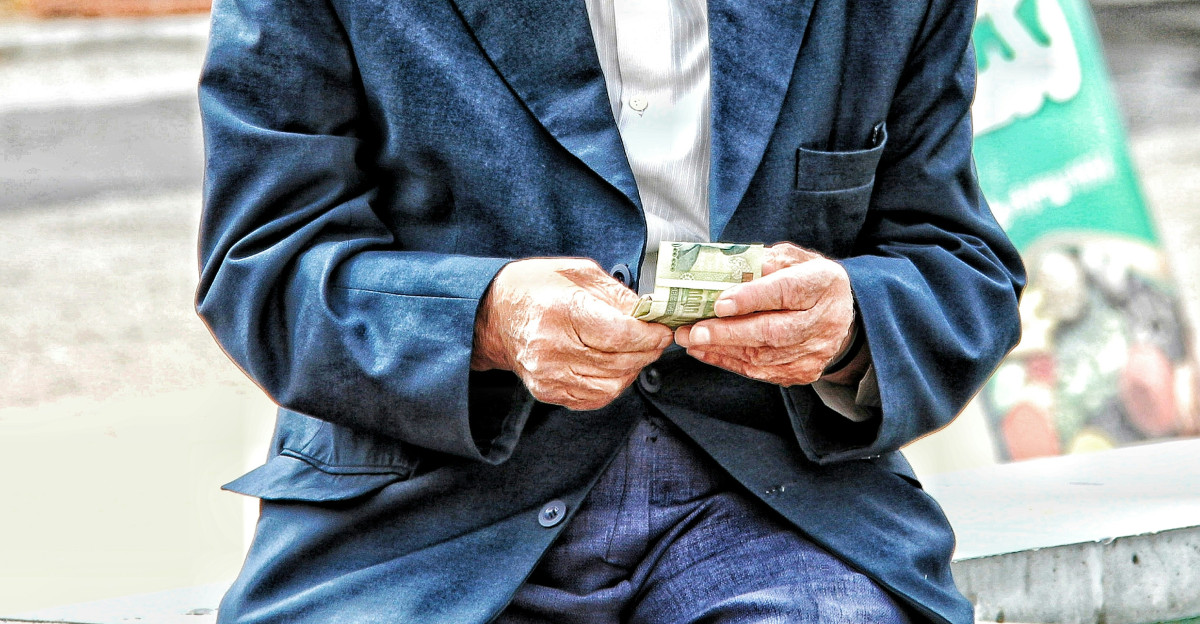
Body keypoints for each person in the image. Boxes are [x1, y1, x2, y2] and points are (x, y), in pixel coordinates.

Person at [196, 0, 1024, 622]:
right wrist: (485, 319)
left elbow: (957, 263)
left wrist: (847, 326)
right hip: (423, 518)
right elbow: (263, 268)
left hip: (777, 496)